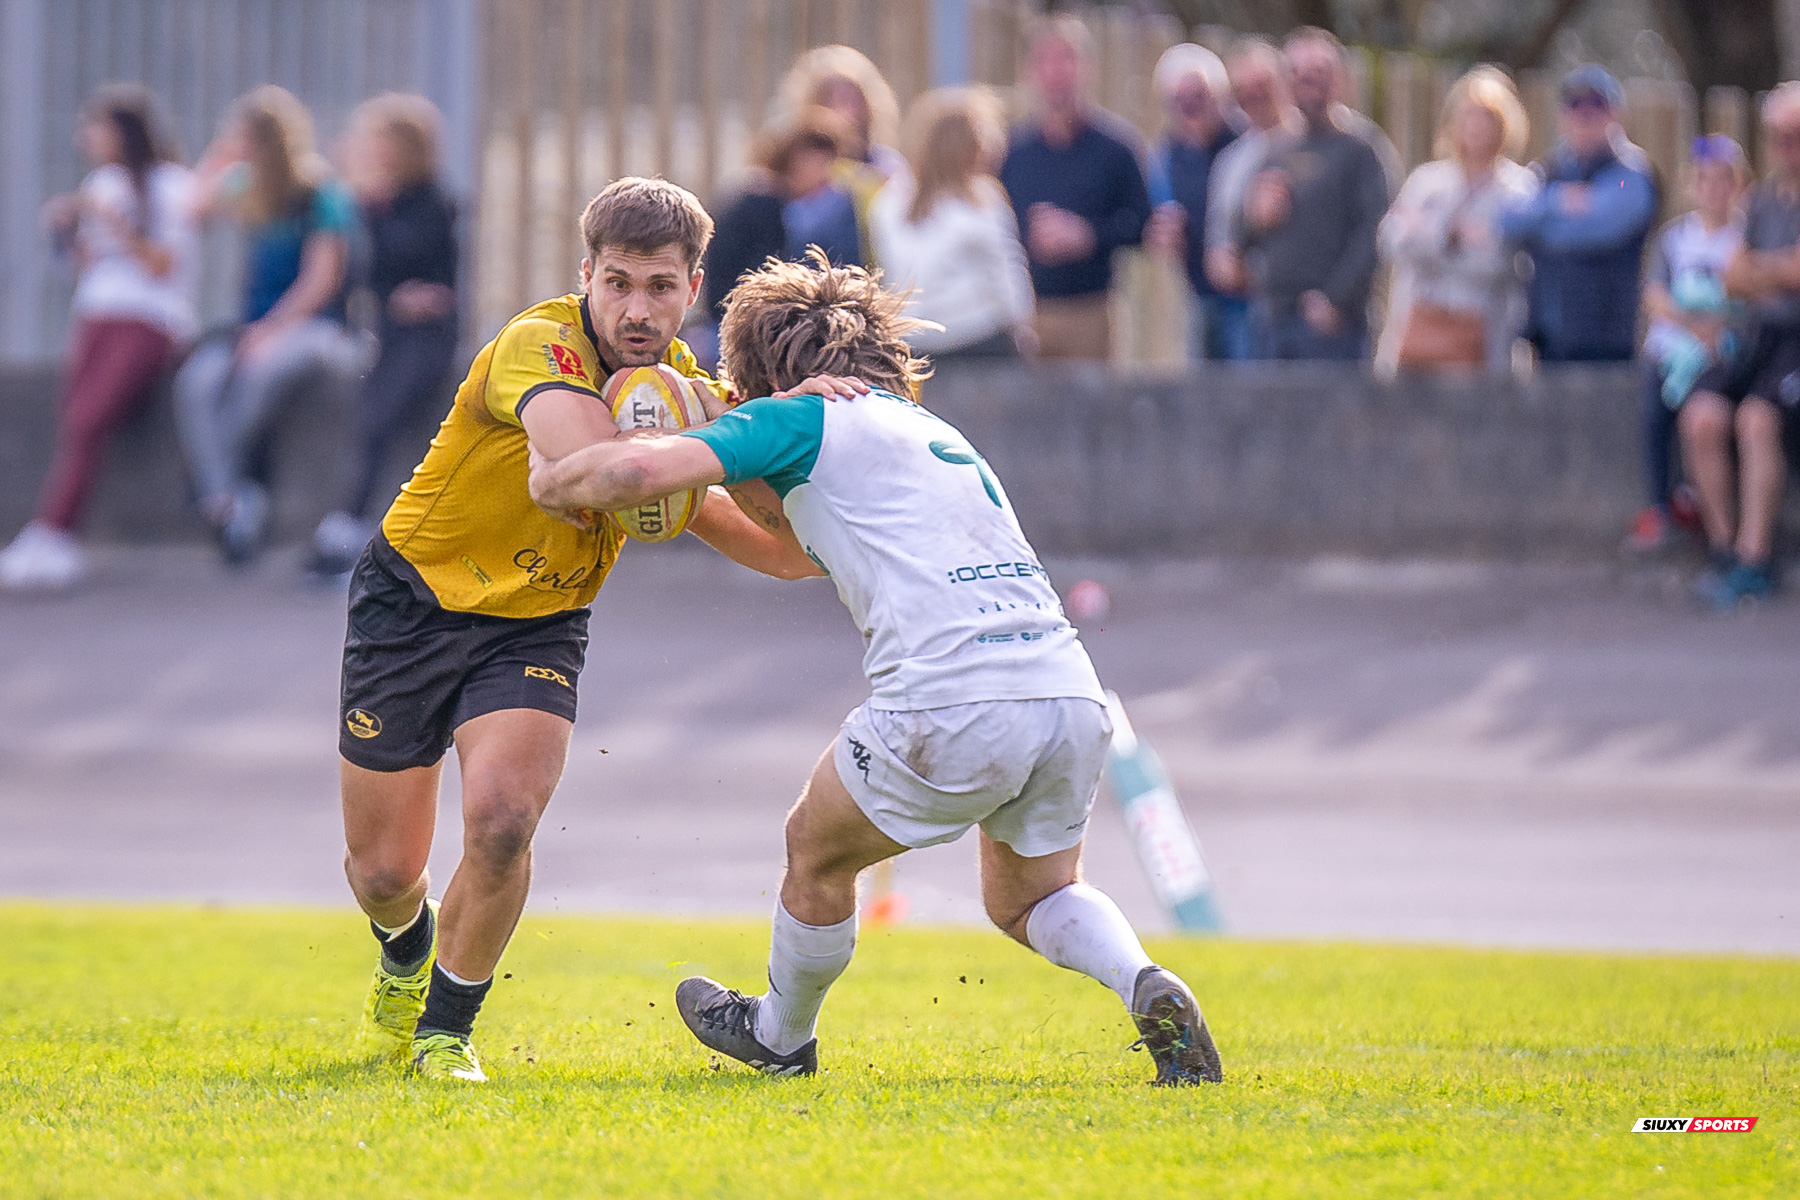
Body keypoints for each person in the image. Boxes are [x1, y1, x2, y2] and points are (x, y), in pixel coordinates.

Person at [527, 251, 1224, 1087]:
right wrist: (703, 493)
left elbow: (636, 468)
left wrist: (556, 477)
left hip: (949, 703)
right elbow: (794, 554)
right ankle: (1147, 982)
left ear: (761, 371)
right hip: (1067, 693)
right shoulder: (929, 432)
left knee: (814, 851)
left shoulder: (795, 418)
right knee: (1030, 897)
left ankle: (780, 1037)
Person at [338, 177, 861, 1083]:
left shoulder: (682, 397)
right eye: (617, 281)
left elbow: (780, 554)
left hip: (537, 624)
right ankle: (402, 949)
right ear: (585, 273)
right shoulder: (537, 346)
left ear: (693, 288)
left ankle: (445, 1034)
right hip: (411, 603)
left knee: (502, 822)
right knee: (384, 873)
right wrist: (742, 423)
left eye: (660, 286)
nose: (636, 308)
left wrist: (805, 432)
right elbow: (593, 460)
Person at [0, 85, 196, 593]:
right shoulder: (99, 182)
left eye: (97, 127)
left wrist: (116, 223)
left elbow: (161, 265)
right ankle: (48, 534)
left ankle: (55, 533)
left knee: (91, 417)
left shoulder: (171, 185)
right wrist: (64, 232)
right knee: (76, 419)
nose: (87, 138)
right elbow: (86, 267)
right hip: (96, 313)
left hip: (147, 317)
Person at [174, 85, 364, 564]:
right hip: (252, 326)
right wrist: (219, 158)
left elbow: (321, 280)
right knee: (197, 383)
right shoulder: (245, 186)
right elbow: (191, 211)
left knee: (258, 375)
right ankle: (224, 500)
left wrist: (271, 329)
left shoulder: (321, 194)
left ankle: (238, 493)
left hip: (313, 326)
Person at [306, 93, 461, 578]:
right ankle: (346, 530)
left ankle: (353, 528)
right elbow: (361, 277)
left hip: (427, 338)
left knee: (382, 416)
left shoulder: (432, 203)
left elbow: (428, 273)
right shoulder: (364, 204)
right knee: (369, 416)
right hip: (385, 334)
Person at [1681, 87, 1800, 609]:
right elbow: (1732, 277)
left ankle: (1756, 558)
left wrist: (1764, 272)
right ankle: (1725, 549)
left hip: (1795, 342)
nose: (1787, 147)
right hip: (1756, 336)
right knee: (1703, 413)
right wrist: (1778, 272)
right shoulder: (1760, 204)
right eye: (1780, 137)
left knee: (1757, 418)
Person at [999, 14, 1151, 361]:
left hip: (1095, 310)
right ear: (1029, 71)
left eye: (1067, 58)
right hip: (1027, 313)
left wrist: (1087, 236)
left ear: (1088, 67)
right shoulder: (1011, 152)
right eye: (1046, 60)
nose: (1057, 71)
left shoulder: (1117, 147)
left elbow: (1143, 224)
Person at [1233, 29, 1390, 360]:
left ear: (1340, 79)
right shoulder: (1272, 149)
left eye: (1319, 72)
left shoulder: (1360, 149)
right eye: (1298, 74)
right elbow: (1240, 237)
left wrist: (1337, 299)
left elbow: (1376, 232)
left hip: (1333, 325)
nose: (1308, 83)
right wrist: (1256, 218)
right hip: (1273, 320)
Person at [1624, 135, 1747, 556]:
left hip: (1721, 354)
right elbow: (1653, 294)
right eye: (1704, 180)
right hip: (1674, 349)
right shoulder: (1674, 238)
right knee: (1654, 413)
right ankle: (1662, 503)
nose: (1713, 190)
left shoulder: (1744, 238)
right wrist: (1691, 323)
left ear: (1737, 185)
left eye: (1722, 180)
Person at [1377, 67, 1538, 374]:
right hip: (1419, 335)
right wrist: (1450, 237)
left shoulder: (1518, 190)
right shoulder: (1427, 183)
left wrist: (1424, 241)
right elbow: (1391, 241)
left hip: (1485, 338)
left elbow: (1497, 263)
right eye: (1469, 116)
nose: (1476, 127)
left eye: (1486, 117)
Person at [1500, 65, 1658, 364]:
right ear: (1562, 115)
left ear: (1616, 114)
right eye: (1576, 105)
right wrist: (1560, 202)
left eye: (1597, 105)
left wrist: (1540, 225)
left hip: (1607, 341)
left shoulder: (1631, 173)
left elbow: (1602, 227)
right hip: (1548, 338)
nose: (1585, 115)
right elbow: (1509, 218)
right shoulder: (1548, 171)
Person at [869, 87, 1034, 361]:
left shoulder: (888, 201)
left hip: (914, 340)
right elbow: (1007, 274)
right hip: (980, 339)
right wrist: (1022, 323)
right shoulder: (981, 199)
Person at [1142, 43, 1245, 363]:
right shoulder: (1168, 156)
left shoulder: (1247, 144)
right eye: (1179, 101)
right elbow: (1160, 217)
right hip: (1199, 295)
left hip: (1247, 300)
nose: (1190, 109)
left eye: (1199, 97)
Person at [775, 45, 907, 266]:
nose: (843, 109)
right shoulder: (789, 166)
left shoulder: (886, 165)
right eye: (831, 98)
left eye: (851, 99)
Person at [1202, 42, 1296, 334]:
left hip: (1294, 309)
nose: (1254, 96)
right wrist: (1223, 264)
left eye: (1263, 85)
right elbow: (1217, 237)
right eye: (1243, 89)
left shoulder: (1312, 151)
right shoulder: (1231, 161)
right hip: (1239, 310)